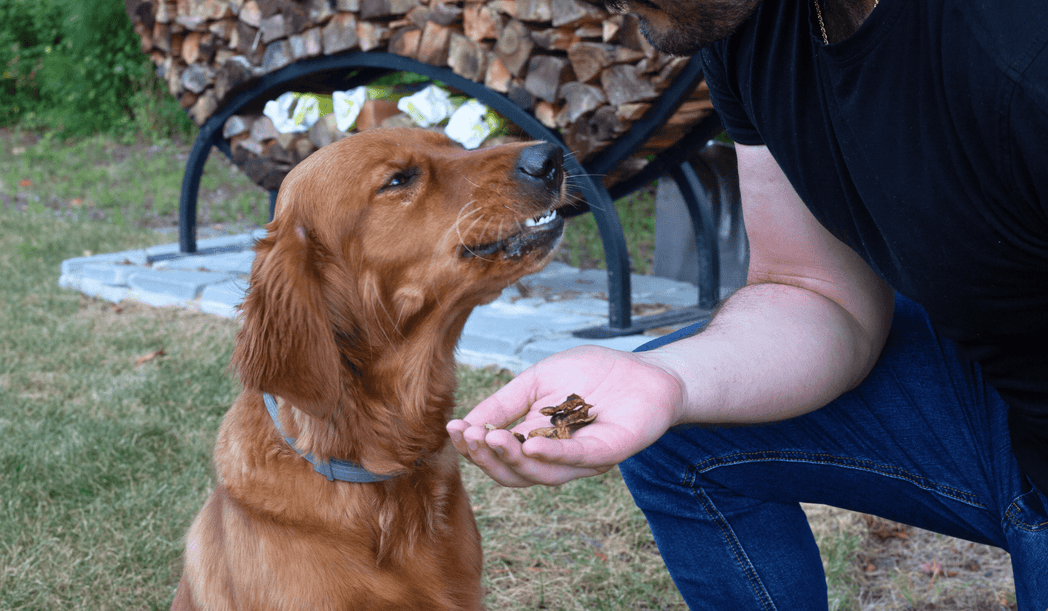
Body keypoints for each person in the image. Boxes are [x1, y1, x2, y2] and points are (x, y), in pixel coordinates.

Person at [447, 0, 1048, 607]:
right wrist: (669, 380)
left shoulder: (1018, 55)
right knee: (680, 426)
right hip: (1002, 399)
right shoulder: (747, 24)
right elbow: (813, 289)